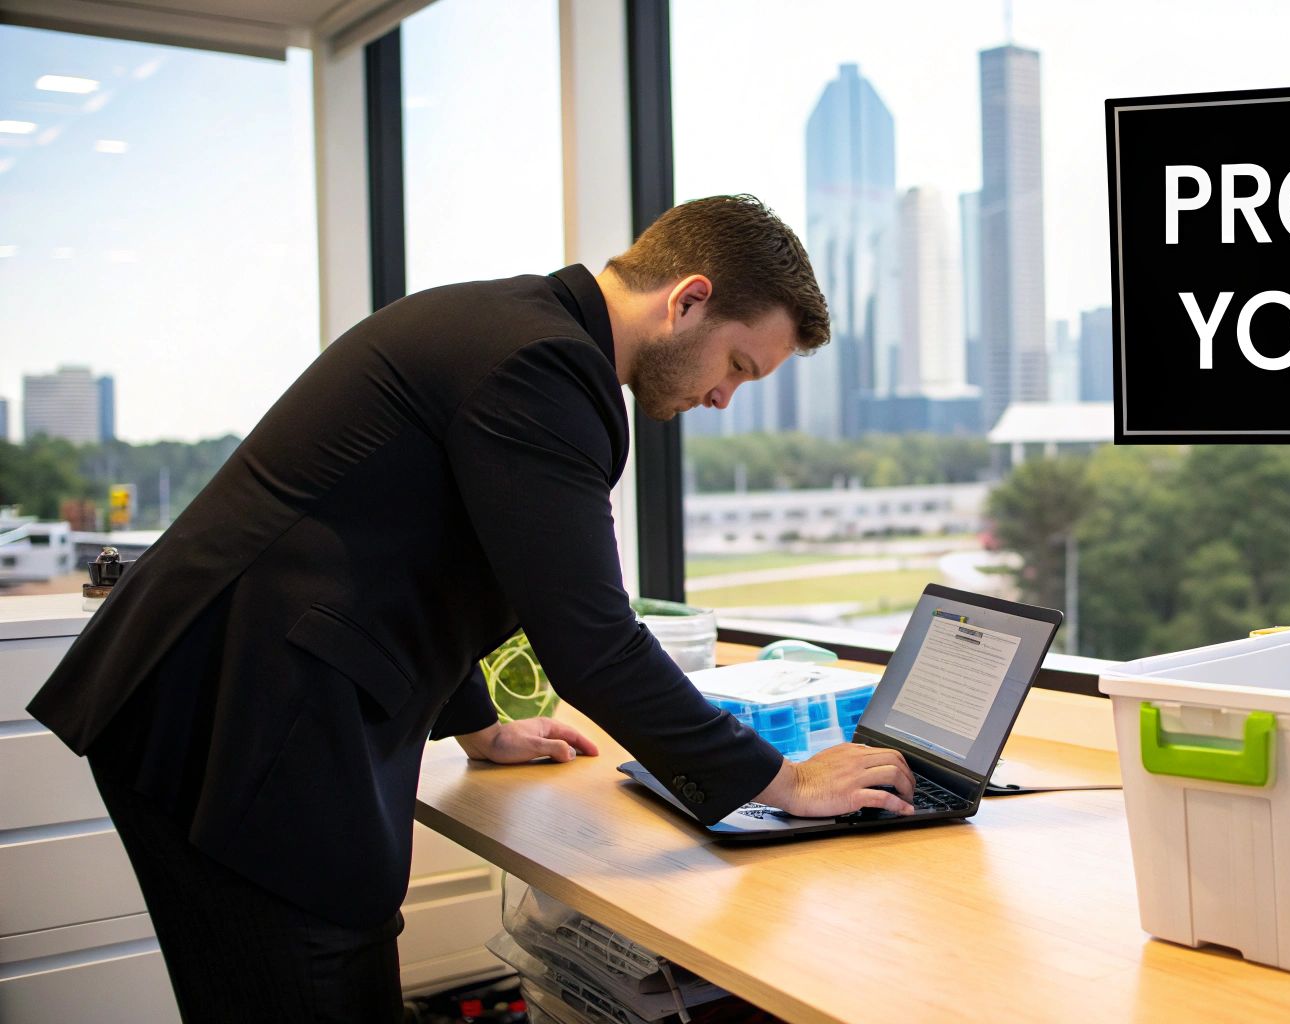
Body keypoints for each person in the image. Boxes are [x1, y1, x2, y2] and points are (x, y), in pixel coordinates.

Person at [26, 194, 917, 1022]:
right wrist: (785, 781)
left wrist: (477, 724)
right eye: (737, 365)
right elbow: (592, 641)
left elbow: (420, 555)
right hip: (244, 719)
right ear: (688, 300)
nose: (724, 397)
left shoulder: (508, 327)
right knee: (319, 982)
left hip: (229, 698)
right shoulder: (544, 366)